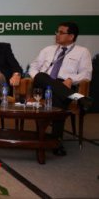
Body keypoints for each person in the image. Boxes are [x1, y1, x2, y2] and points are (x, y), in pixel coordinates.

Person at [29, 21, 93, 156]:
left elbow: (86, 74)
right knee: (41, 75)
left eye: (61, 32)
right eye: (57, 32)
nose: (57, 35)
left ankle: (55, 140)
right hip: (41, 84)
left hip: (63, 86)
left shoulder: (82, 52)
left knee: (58, 98)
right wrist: (36, 77)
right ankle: (78, 98)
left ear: (71, 36)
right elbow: (33, 67)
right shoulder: (47, 50)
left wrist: (71, 79)